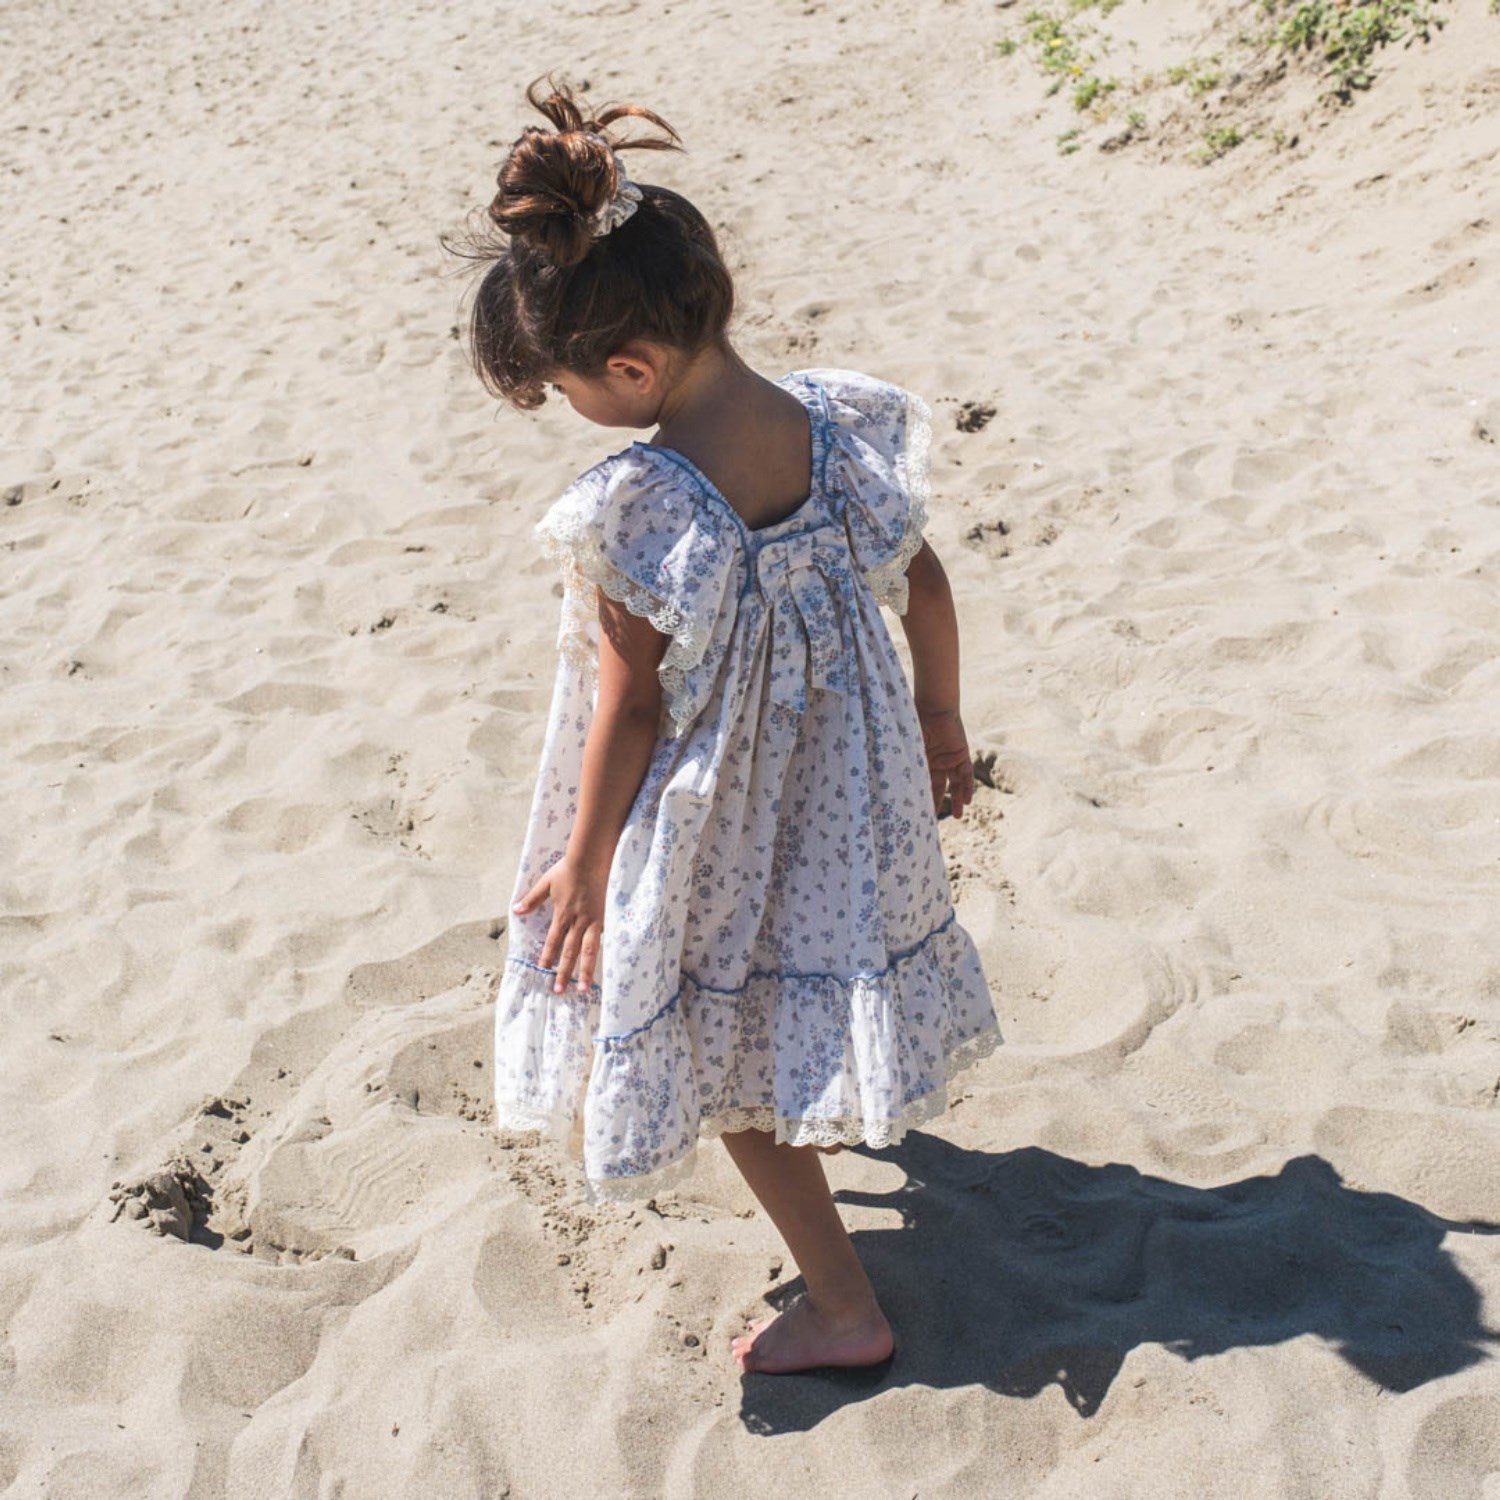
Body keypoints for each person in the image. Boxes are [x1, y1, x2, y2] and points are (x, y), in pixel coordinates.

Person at [443, 76, 1001, 1375]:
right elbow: (922, 581)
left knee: (725, 1048)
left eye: (568, 388)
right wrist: (939, 716)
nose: (576, 413)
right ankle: (837, 1158)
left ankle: (844, 1307)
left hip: (724, 815)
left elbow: (632, 705)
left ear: (630, 368)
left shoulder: (642, 502)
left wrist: (585, 864)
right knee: (806, 980)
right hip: (845, 792)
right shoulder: (831, 427)